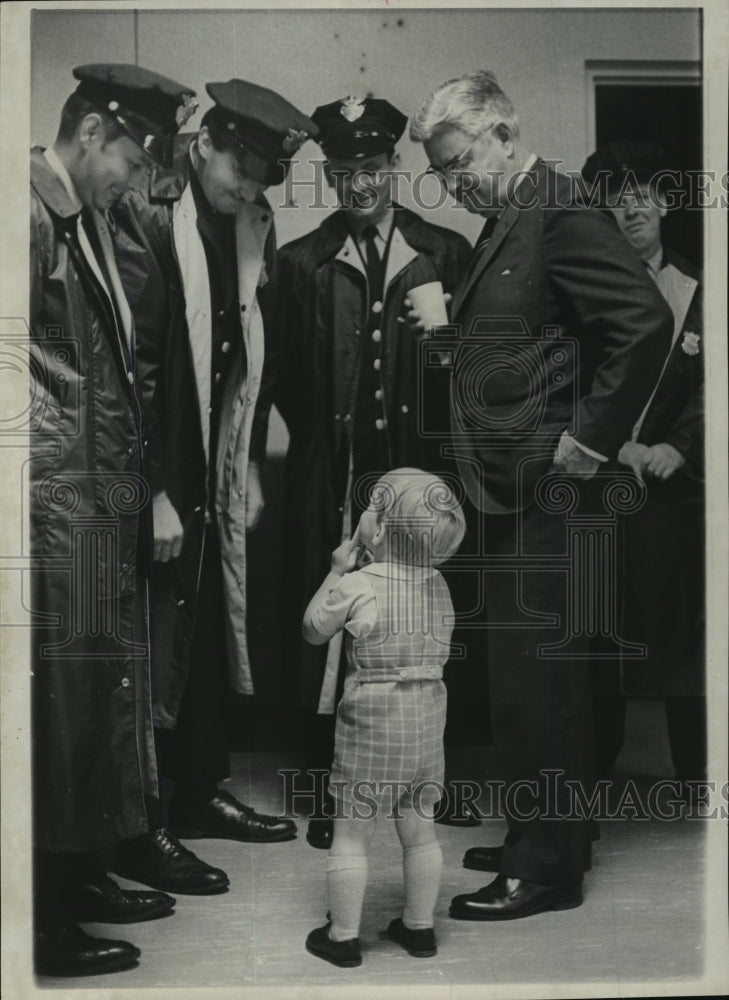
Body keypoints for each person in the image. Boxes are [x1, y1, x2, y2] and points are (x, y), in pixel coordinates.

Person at [409, 71, 674, 919]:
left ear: (501, 133)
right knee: (537, 680)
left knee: (536, 685)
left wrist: (591, 439)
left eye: (457, 164)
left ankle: (545, 869)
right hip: (515, 485)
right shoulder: (512, 214)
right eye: (441, 173)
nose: (452, 183)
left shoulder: (558, 209)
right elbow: (538, 339)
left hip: (551, 492)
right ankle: (550, 833)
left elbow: (642, 323)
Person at [111, 80, 318, 896]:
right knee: (155, 638)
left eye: (265, 175)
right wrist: (153, 487)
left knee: (200, 632)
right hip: (162, 457)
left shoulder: (249, 225)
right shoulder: (154, 218)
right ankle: (144, 819)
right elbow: (134, 370)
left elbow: (251, 356)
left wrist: (246, 467)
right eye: (241, 166)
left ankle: (196, 792)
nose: (251, 186)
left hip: (213, 456)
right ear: (202, 146)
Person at [30, 63, 198, 976]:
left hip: (96, 501)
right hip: (58, 509)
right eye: (130, 155)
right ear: (91, 131)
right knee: (61, 713)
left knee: (97, 701)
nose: (133, 178)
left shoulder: (83, 220)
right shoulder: (25, 213)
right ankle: (44, 922)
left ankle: (83, 872)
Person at [274, 95, 473, 849]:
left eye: (371, 167)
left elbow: (469, 369)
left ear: (395, 167)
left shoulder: (445, 251)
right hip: (335, 474)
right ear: (328, 174)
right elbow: (286, 377)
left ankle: (429, 779)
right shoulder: (300, 262)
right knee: (334, 625)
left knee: (424, 625)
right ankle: (332, 786)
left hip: (420, 479)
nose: (358, 184)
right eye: (343, 170)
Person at [302, 469, 466, 967]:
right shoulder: (440, 584)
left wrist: (335, 570)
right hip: (425, 729)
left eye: (373, 506)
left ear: (380, 529)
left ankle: (344, 937)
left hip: (372, 730)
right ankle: (419, 929)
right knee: (420, 829)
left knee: (352, 831)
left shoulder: (358, 584)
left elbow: (313, 629)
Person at [581, 140, 705, 788]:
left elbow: (717, 384)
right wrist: (611, 444)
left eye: (641, 195)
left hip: (673, 488)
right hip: (601, 482)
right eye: (615, 197)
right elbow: (573, 381)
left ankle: (695, 772)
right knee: (598, 626)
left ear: (663, 203)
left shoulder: (698, 289)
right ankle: (594, 765)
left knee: (683, 629)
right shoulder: (583, 293)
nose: (630, 209)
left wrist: (676, 446)